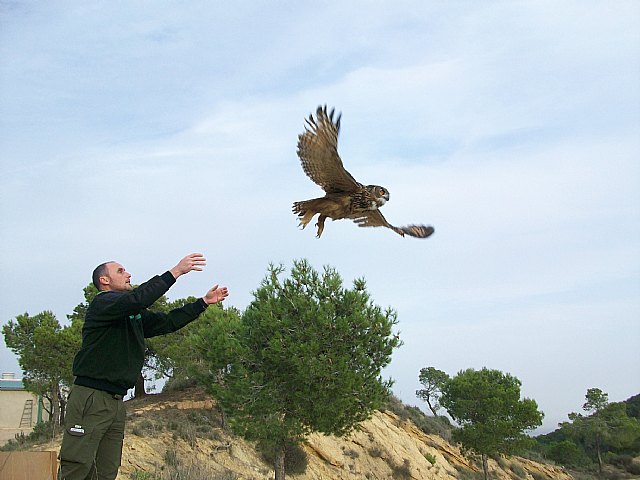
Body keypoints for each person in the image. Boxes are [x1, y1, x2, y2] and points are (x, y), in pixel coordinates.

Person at [58, 253, 228, 480]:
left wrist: (203, 303)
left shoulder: (131, 314)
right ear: (104, 281)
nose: (128, 274)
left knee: (105, 471)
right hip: (91, 398)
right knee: (77, 468)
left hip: (116, 402)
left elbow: (167, 322)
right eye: (120, 271)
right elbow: (137, 299)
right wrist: (176, 272)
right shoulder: (103, 303)